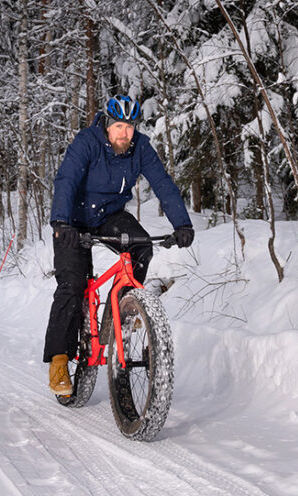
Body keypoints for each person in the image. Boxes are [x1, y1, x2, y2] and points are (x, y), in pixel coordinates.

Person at [45, 94, 194, 395]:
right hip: (72, 219)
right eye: (119, 127)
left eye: (129, 127)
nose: (124, 133)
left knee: (141, 247)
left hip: (109, 216)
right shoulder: (86, 143)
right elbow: (66, 180)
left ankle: (121, 314)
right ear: (107, 126)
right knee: (72, 284)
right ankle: (59, 360)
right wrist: (61, 222)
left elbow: (163, 182)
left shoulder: (140, 148)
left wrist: (182, 223)